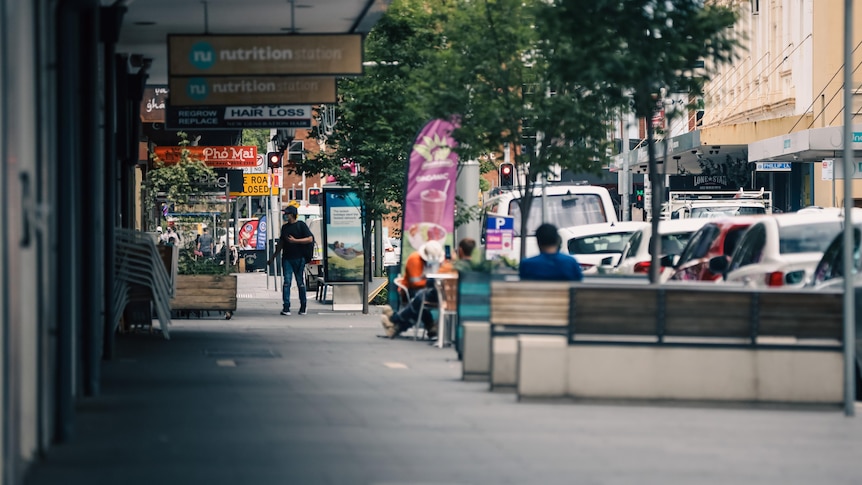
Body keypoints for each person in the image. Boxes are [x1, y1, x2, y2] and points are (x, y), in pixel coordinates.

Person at [381, 238, 475, 339]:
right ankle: (429, 327)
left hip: (439, 294)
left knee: (420, 298)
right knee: (420, 297)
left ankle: (396, 321)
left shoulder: (449, 266)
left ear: (460, 250)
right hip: (418, 290)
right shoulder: (415, 259)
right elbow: (415, 283)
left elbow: (434, 280)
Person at [267, 205, 314, 316]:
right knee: (286, 282)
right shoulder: (285, 228)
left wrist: (295, 241)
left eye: (287, 214)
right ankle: (286, 307)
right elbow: (281, 244)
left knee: (300, 282)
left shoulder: (301, 225)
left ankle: (303, 306)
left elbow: (310, 238)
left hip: (299, 258)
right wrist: (273, 257)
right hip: (287, 258)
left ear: (292, 215)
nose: (285, 216)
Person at [519, 223, 583, 281]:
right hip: (564, 294)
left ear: (538, 242)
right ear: (557, 240)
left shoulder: (527, 264)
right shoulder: (570, 262)